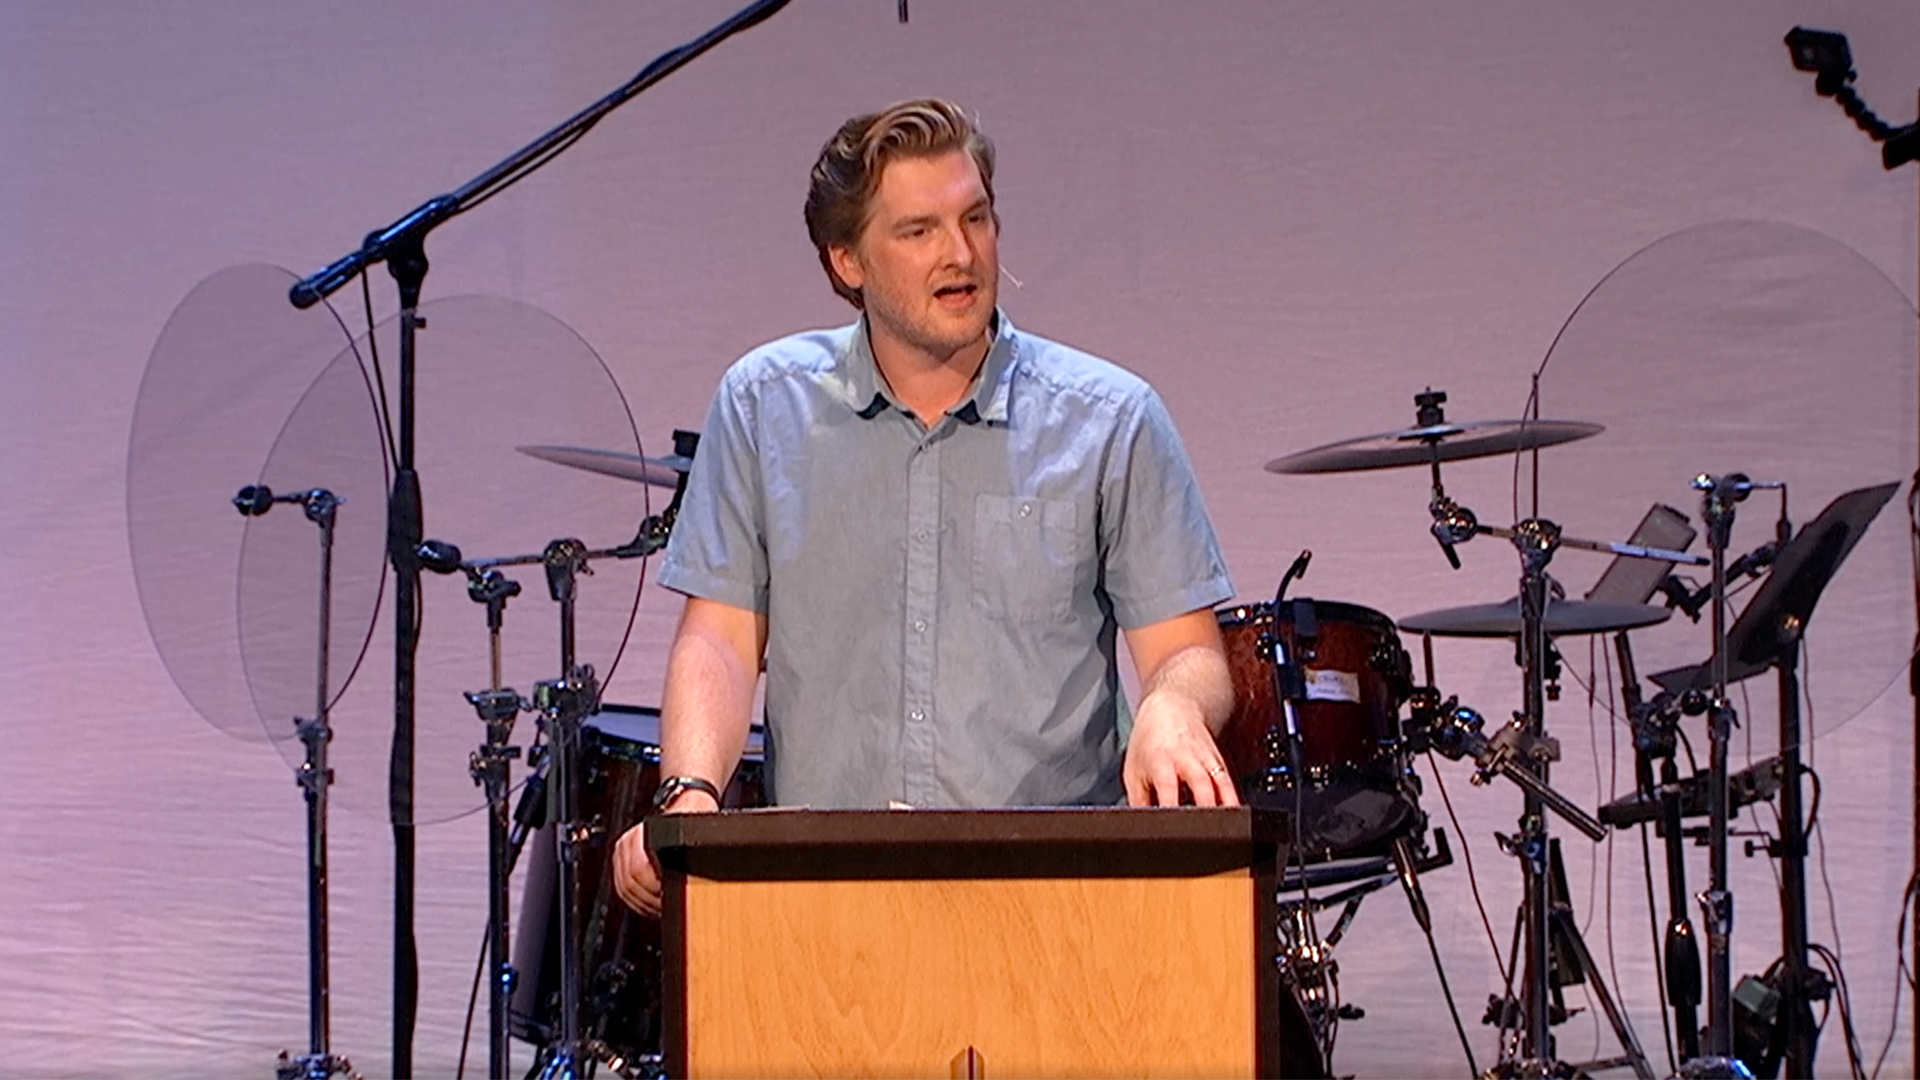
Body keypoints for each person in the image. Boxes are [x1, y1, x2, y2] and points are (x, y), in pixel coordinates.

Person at [613, 98, 1238, 918]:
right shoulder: (764, 405)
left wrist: (1173, 706)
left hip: (1053, 901)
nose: (961, 253)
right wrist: (690, 790)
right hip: (826, 901)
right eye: (919, 230)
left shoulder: (1111, 420)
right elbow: (722, 639)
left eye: (975, 218)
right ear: (847, 260)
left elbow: (1188, 653)